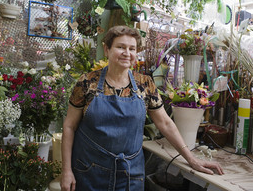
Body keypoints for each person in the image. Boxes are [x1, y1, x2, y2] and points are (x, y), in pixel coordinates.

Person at [61, 26, 223, 191]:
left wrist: (192, 159)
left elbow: (165, 123)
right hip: (90, 170)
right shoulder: (87, 83)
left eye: (132, 48)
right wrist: (66, 170)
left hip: (130, 174)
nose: (127, 53)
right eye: (120, 47)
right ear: (107, 49)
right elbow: (69, 126)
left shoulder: (145, 84)